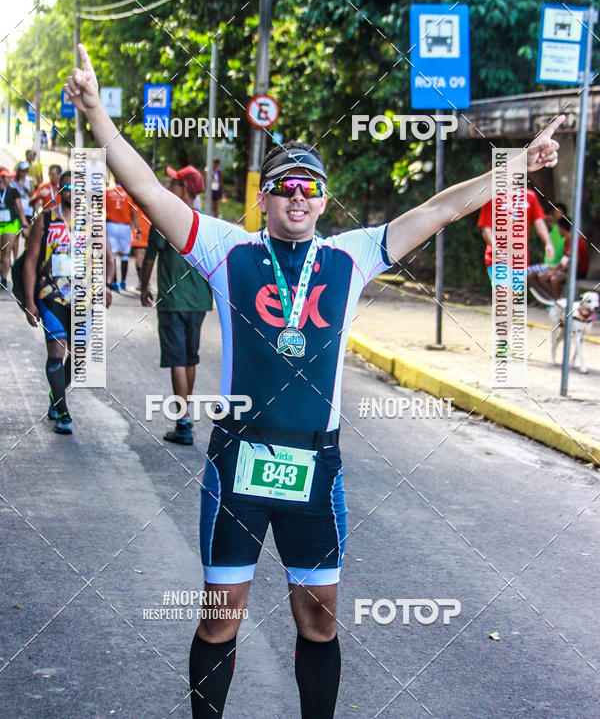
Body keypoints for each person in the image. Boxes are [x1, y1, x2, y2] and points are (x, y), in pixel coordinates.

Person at [65, 44, 562, 719]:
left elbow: (438, 210)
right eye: (285, 186)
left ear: (324, 200)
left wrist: (512, 170)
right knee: (220, 617)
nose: (297, 195)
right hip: (238, 461)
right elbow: (149, 191)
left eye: (309, 186)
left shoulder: (351, 256)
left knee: (320, 620)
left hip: (315, 467)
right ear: (265, 197)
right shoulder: (225, 249)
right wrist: (97, 116)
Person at [22, 169, 115, 434]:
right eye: (66, 188)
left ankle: (56, 394)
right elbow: (30, 261)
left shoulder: (94, 222)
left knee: (79, 357)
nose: (71, 193)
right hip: (51, 296)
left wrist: (107, 284)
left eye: (77, 189)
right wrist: (29, 301)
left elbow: (109, 259)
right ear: (59, 191)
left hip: (84, 299)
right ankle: (63, 412)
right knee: (56, 350)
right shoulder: (46, 220)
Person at [141, 166, 213, 446]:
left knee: (178, 360)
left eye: (174, 182)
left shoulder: (166, 219)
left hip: (173, 302)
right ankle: (185, 415)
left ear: (184, 188)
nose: (169, 186)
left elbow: (149, 259)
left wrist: (144, 287)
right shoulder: (205, 222)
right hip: (199, 302)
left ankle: (183, 422)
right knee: (190, 357)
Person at [478, 186, 554, 289]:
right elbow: (486, 229)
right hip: (499, 258)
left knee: (514, 295)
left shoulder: (530, 196)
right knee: (503, 292)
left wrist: (548, 243)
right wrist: (496, 249)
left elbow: (539, 222)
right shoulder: (492, 197)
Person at [530, 216, 590, 300]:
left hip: (578, 272)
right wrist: (555, 269)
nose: (558, 230)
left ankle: (557, 300)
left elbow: (574, 262)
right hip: (567, 270)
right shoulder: (567, 241)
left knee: (554, 279)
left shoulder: (577, 241)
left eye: (558, 228)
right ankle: (549, 299)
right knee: (541, 277)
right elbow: (564, 260)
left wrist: (557, 270)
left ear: (562, 228)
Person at [0, 167, 30, 290]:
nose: (11, 179)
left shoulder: (13, 191)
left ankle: (3, 279)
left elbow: (20, 209)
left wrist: (24, 225)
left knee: (6, 252)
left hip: (10, 225)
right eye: (8, 177)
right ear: (1, 178)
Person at [106, 181, 139, 290]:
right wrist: (137, 229)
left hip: (110, 225)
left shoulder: (107, 192)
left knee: (112, 255)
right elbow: (134, 213)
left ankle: (114, 282)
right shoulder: (129, 194)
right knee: (124, 255)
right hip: (125, 227)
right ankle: (123, 282)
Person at [131, 206, 151, 291]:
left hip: (139, 230)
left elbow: (133, 212)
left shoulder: (136, 201)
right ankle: (145, 281)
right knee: (145, 257)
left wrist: (137, 229)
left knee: (139, 256)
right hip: (148, 229)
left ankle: (142, 281)